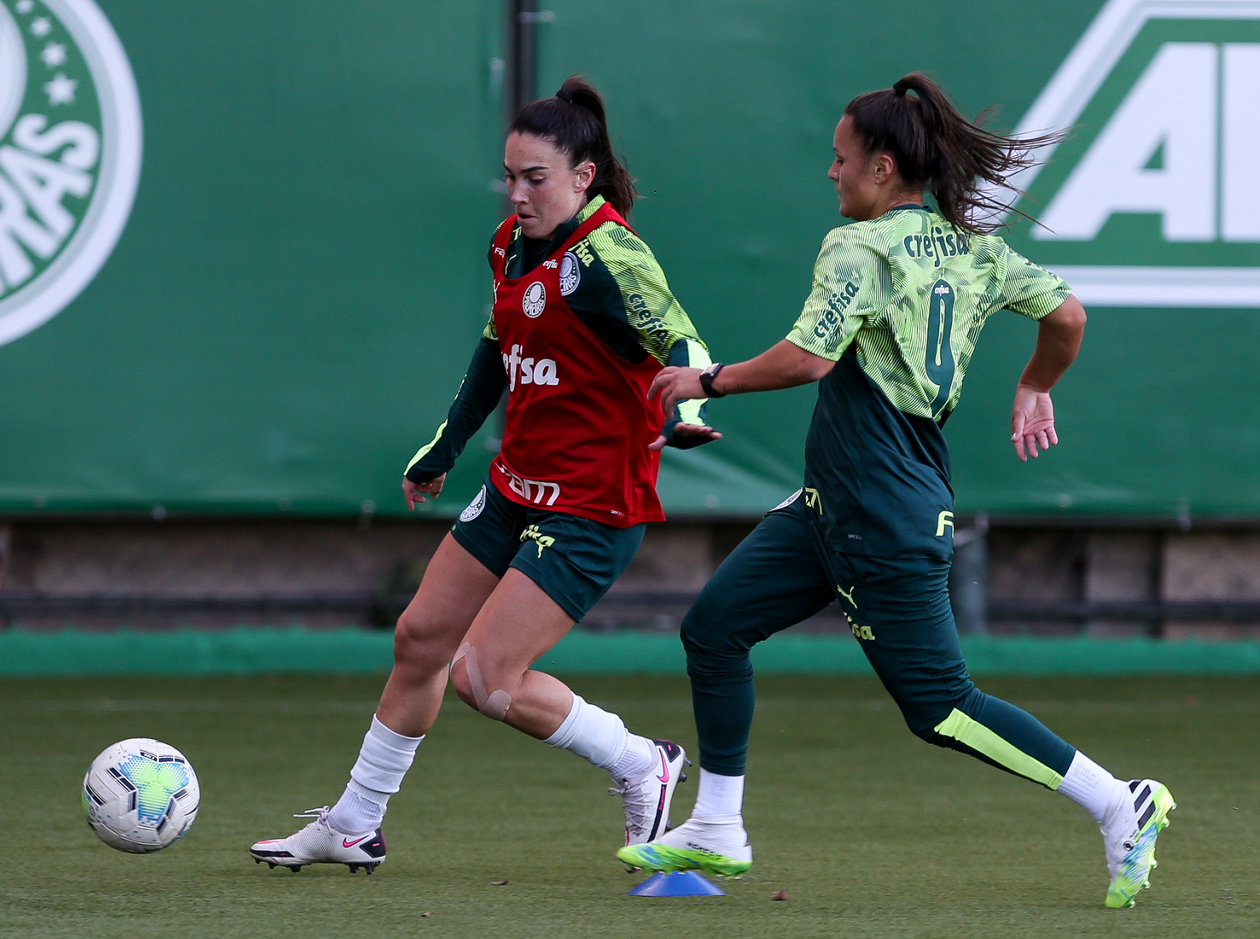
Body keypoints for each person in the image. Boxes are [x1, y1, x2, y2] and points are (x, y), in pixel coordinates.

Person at [617, 73, 1174, 910]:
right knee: (715, 627)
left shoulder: (860, 246)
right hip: (837, 501)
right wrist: (1036, 383)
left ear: (882, 168)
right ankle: (718, 825)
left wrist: (710, 378)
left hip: (881, 508)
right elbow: (1069, 316)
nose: (830, 172)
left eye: (840, 158)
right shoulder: (976, 249)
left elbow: (810, 358)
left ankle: (1119, 800)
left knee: (941, 707)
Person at [250, 76, 718, 873]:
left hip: (592, 506)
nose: (518, 193)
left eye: (536, 178)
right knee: (419, 639)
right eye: (509, 176)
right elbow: (496, 350)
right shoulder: (509, 243)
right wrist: (445, 445)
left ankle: (644, 762)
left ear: (584, 176)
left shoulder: (611, 257)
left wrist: (687, 409)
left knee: (485, 676)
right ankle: (354, 823)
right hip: (513, 487)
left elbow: (683, 341)